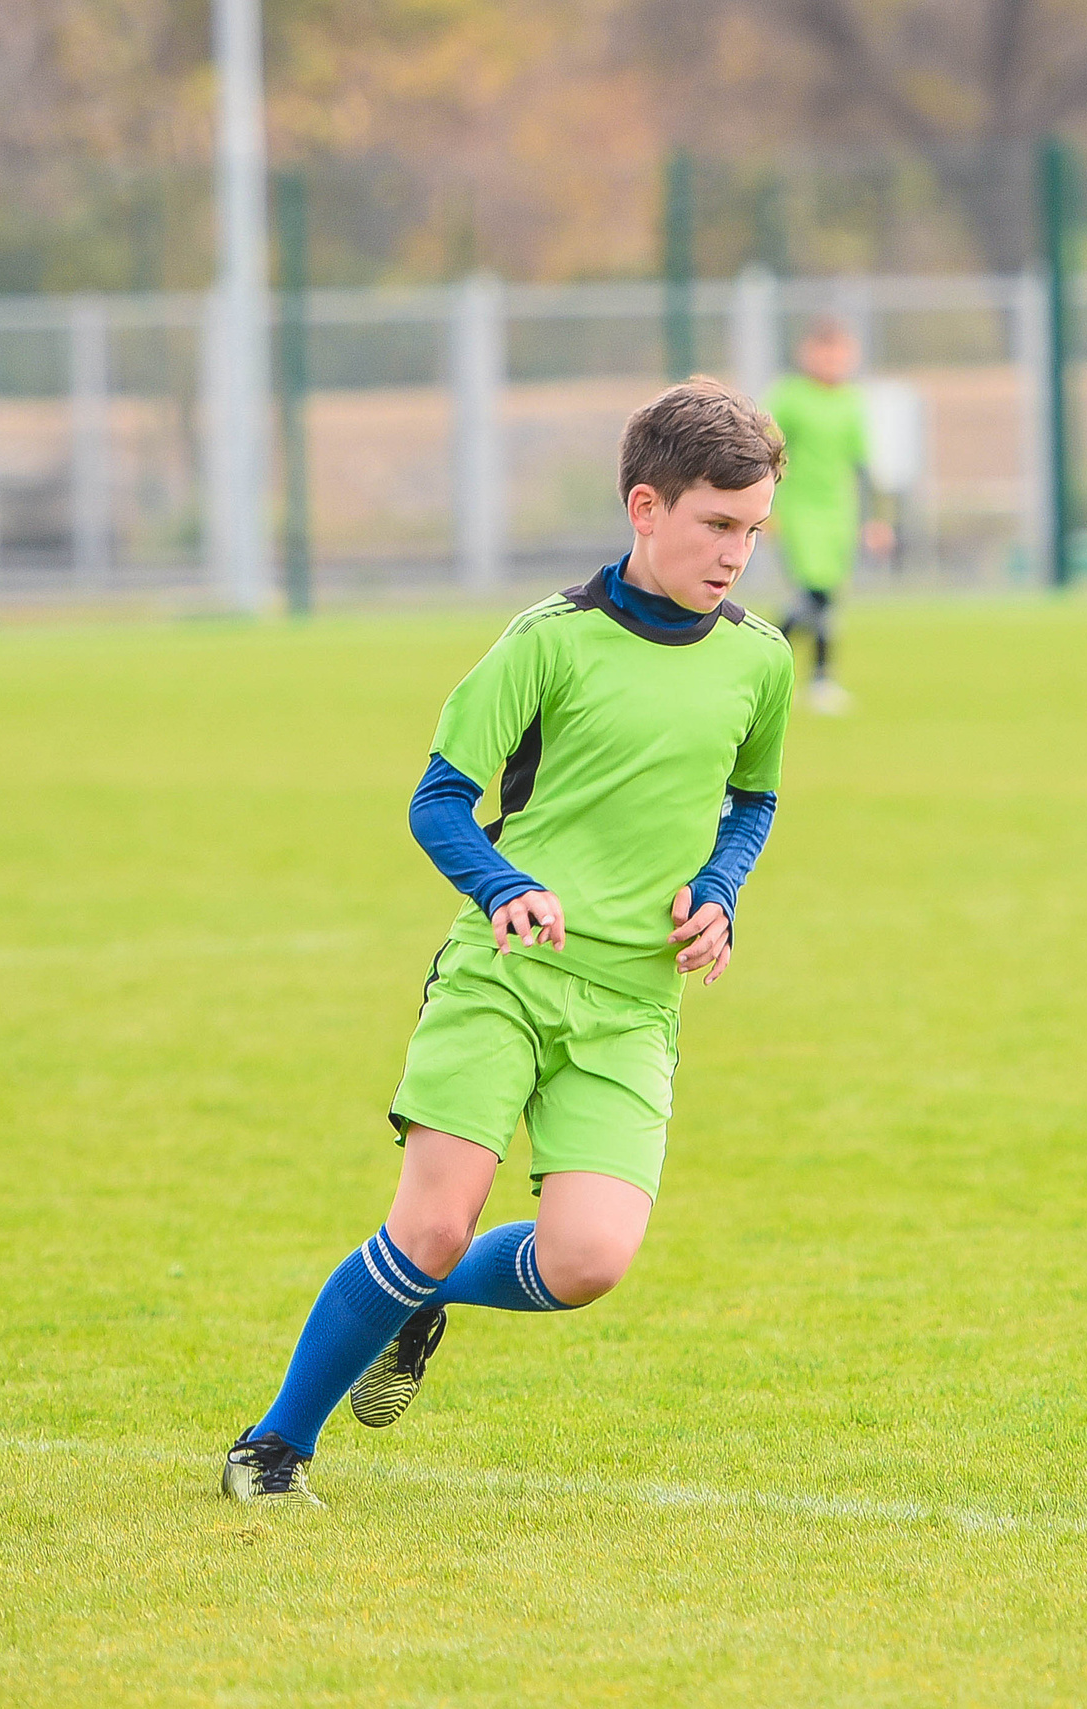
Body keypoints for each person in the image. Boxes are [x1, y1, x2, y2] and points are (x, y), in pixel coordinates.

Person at [222, 377, 793, 1507]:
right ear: (644, 505)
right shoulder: (548, 642)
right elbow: (439, 800)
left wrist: (720, 891)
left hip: (633, 1001)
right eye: (716, 524)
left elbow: (751, 799)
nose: (736, 553)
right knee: (431, 1220)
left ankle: (419, 1298)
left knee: (587, 1263)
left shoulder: (759, 659)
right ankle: (275, 1445)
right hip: (508, 975)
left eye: (754, 531)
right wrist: (505, 886)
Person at [764, 317, 887, 714]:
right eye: (825, 353)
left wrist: (876, 518)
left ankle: (801, 671)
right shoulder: (789, 397)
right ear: (807, 354)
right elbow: (767, 455)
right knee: (814, 593)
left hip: (839, 512)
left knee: (824, 598)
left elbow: (862, 464)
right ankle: (796, 666)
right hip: (799, 509)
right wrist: (765, 512)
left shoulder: (851, 402)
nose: (833, 362)